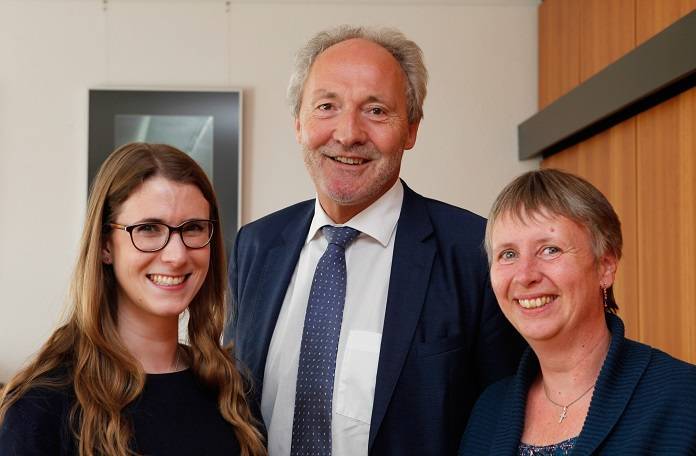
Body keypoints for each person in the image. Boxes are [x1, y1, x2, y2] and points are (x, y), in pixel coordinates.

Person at [226, 25, 524, 456]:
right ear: (298, 123)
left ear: (411, 129)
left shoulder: (475, 251)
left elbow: (507, 422)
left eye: (377, 111)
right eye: (326, 106)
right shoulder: (255, 246)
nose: (348, 134)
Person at [0, 143, 266, 456]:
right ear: (105, 246)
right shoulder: (42, 405)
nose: (176, 255)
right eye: (149, 229)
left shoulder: (230, 390)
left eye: (193, 228)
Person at [459, 169, 696, 454]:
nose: (525, 275)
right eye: (508, 254)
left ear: (605, 266)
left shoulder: (685, 398)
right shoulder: (488, 412)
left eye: (550, 250)